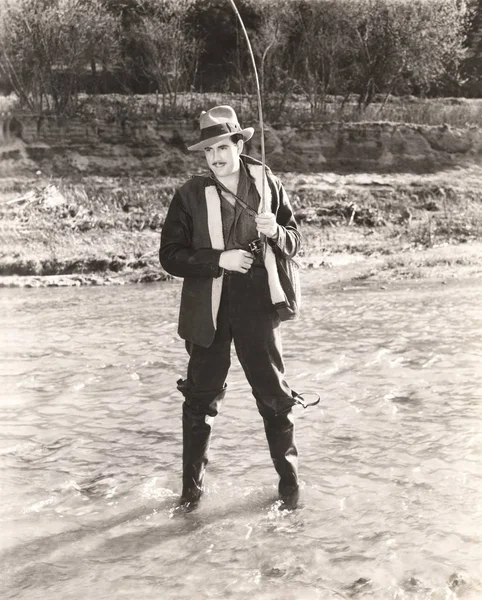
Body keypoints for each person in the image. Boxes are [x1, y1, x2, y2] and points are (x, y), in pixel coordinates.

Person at [159, 105, 302, 509]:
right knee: (200, 401)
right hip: (207, 307)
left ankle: (290, 491)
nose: (216, 157)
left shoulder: (268, 183)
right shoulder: (187, 194)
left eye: (222, 146)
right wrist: (217, 260)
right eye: (208, 151)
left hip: (259, 301)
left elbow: (296, 241)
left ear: (239, 143)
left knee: (275, 396)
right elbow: (169, 256)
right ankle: (190, 497)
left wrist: (276, 232)